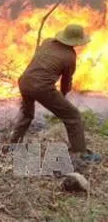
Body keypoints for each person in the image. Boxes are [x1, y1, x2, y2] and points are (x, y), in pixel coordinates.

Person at [10, 24, 101, 162]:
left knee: (27, 114)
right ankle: (81, 154)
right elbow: (66, 81)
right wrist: (62, 97)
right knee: (73, 116)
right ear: (77, 41)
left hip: (24, 81)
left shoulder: (47, 41)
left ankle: (13, 144)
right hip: (42, 88)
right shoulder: (70, 56)